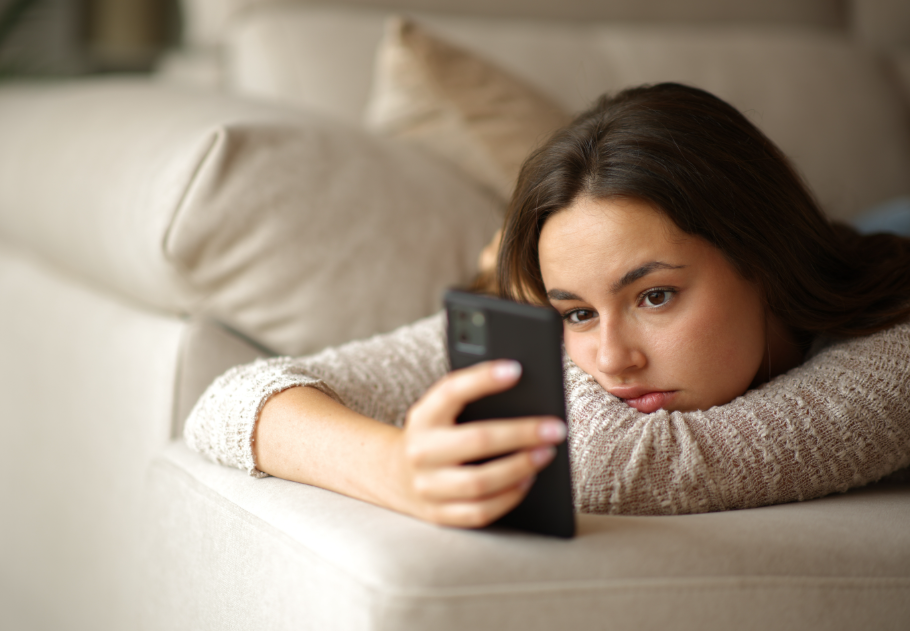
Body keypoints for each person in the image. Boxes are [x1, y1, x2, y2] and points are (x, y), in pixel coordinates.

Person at [185, 83, 910, 528]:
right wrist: (399, 466)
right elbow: (228, 402)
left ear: (765, 257)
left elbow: (610, 468)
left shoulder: (896, 349)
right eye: (577, 313)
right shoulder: (582, 327)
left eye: (655, 296)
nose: (612, 361)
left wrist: (532, 325)